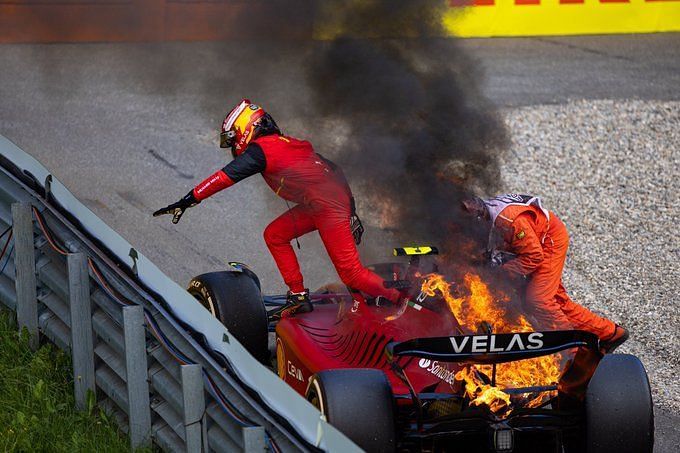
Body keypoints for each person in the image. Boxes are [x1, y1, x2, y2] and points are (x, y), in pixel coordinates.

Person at [153, 99, 400, 315]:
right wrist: (352, 209)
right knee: (275, 235)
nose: (233, 146)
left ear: (245, 130)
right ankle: (298, 296)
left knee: (351, 274)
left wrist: (189, 199)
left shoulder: (262, 150)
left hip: (327, 206)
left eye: (233, 139)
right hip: (322, 202)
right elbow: (334, 168)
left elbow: (225, 177)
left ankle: (402, 302)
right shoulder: (284, 143)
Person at [462, 194, 628, 353]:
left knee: (538, 300)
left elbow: (534, 256)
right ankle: (611, 334)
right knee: (557, 301)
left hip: (549, 241)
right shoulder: (484, 212)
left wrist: (503, 273)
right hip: (532, 241)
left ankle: (572, 352)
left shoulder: (508, 221)